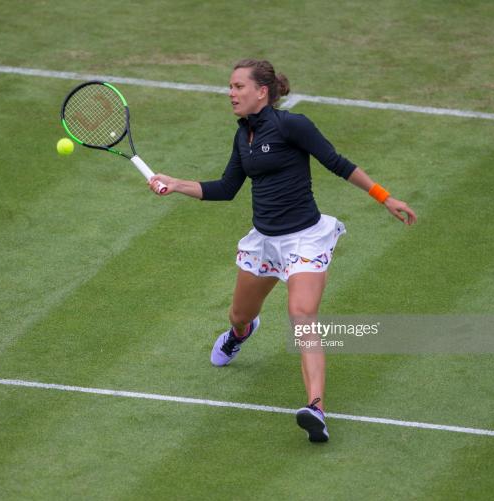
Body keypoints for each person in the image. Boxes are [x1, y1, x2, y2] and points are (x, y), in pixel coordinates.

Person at [149, 59, 417, 443]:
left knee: (301, 314)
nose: (231, 93)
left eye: (238, 86)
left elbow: (337, 163)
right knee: (239, 314)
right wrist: (176, 184)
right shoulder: (244, 137)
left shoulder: (293, 125)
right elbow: (226, 188)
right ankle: (240, 334)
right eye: (230, 86)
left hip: (305, 239)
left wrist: (384, 197)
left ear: (262, 91)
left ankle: (316, 408)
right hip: (265, 242)